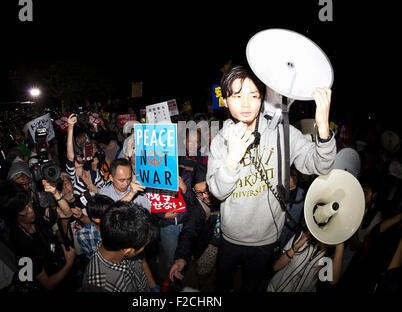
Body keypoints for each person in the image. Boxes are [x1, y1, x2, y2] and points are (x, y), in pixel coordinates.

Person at [207, 65, 336, 292]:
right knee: (222, 286)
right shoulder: (220, 140)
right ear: (225, 101)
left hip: (266, 240)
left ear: (262, 98)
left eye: (253, 95)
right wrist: (231, 161)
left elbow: (320, 165)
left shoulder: (282, 131)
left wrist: (323, 128)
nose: (246, 104)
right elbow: (217, 192)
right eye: (237, 96)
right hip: (231, 238)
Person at [0, 181, 77, 291]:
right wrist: (69, 262)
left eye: (29, 204)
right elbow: (47, 284)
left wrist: (55, 193)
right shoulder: (20, 245)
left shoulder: (35, 211)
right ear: (13, 214)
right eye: (24, 209)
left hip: (63, 268)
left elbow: (67, 213)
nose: (30, 210)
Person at [81, 201, 158, 292]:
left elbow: (142, 262)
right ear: (127, 251)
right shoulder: (99, 286)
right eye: (144, 246)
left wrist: (154, 287)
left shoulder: (123, 239)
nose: (143, 249)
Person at [168, 162, 221, 291]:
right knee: (204, 272)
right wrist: (181, 258)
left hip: (230, 244)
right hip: (208, 246)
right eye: (199, 193)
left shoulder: (229, 196)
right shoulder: (198, 208)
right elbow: (188, 231)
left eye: (207, 191)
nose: (204, 197)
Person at [267, 230, 344, 292]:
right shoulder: (302, 235)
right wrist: (296, 247)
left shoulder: (331, 253)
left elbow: (333, 281)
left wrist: (340, 243)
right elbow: (276, 267)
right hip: (274, 288)